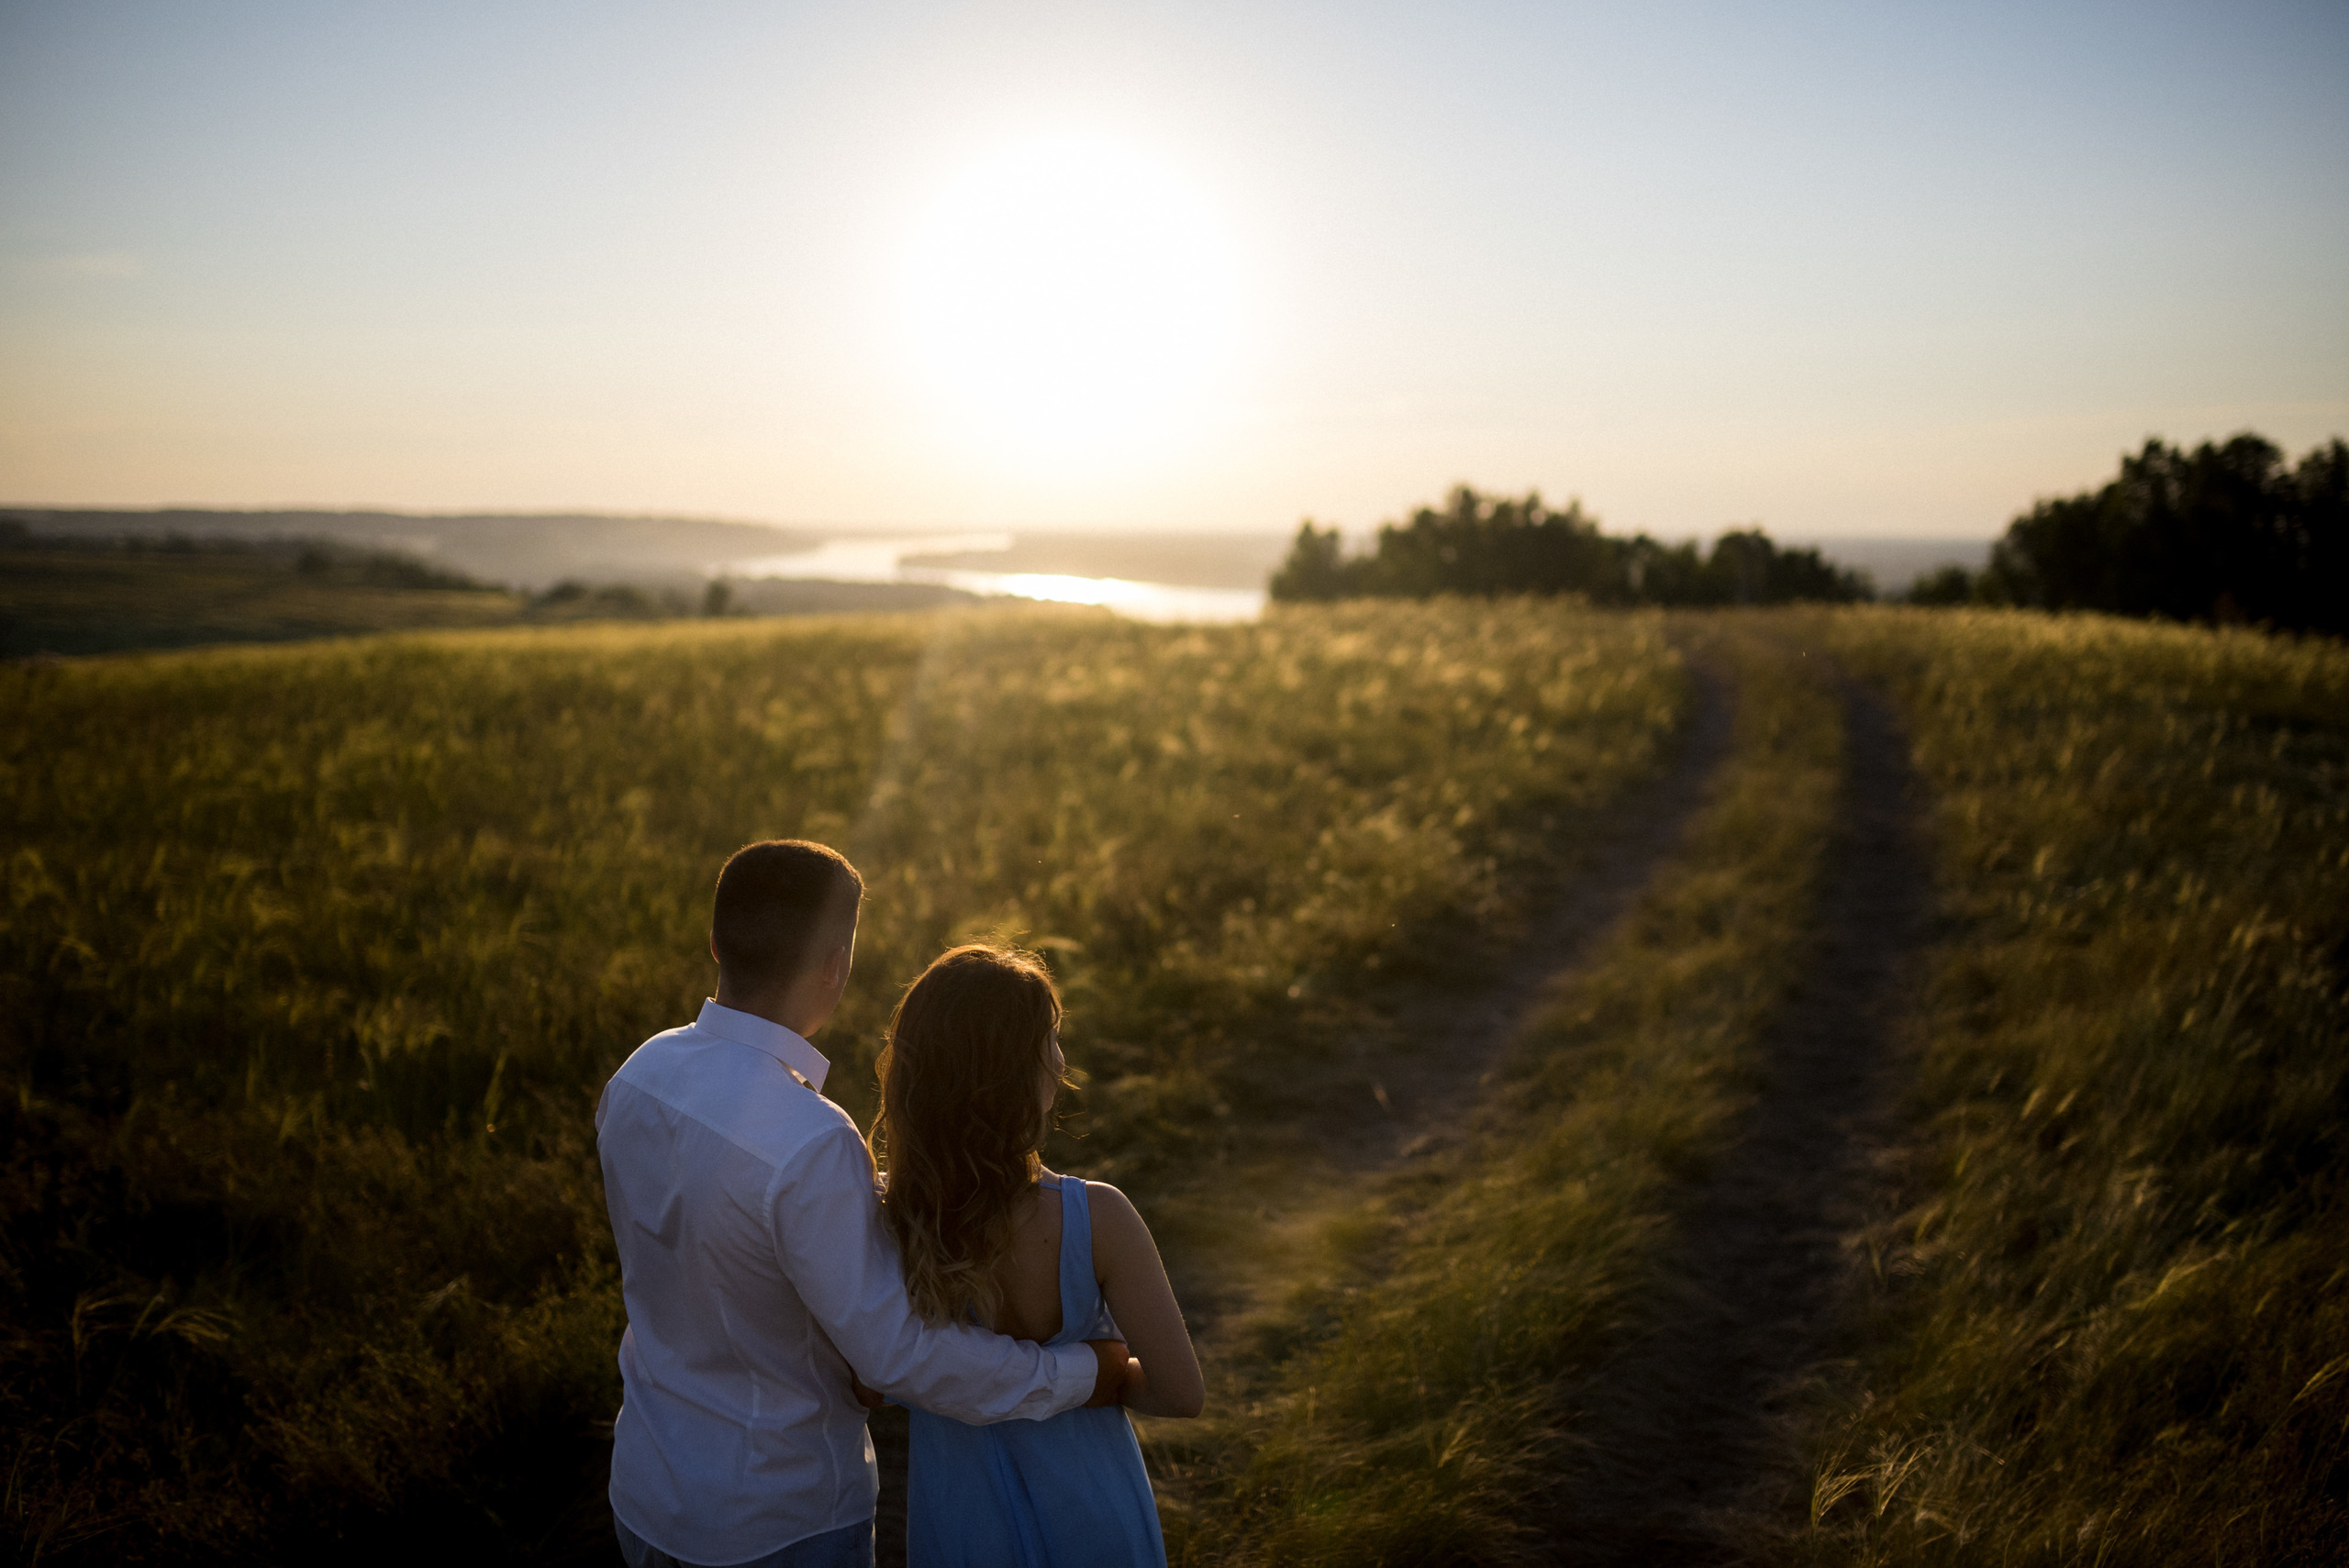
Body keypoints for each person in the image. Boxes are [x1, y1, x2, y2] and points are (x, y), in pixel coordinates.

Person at [596, 841, 1132, 1568]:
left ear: (717, 941)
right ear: (835, 965)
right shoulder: (809, 1137)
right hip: (778, 1521)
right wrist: (1084, 1373)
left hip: (646, 1493)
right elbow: (899, 1353)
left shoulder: (638, 1075)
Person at [861, 944, 1205, 1567]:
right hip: (1092, 1512)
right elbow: (1182, 1391)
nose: (1062, 1055)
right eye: (1051, 1037)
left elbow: (870, 1378)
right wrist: (1100, 1376)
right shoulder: (1100, 1218)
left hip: (961, 1522)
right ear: (1025, 1073)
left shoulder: (890, 1219)